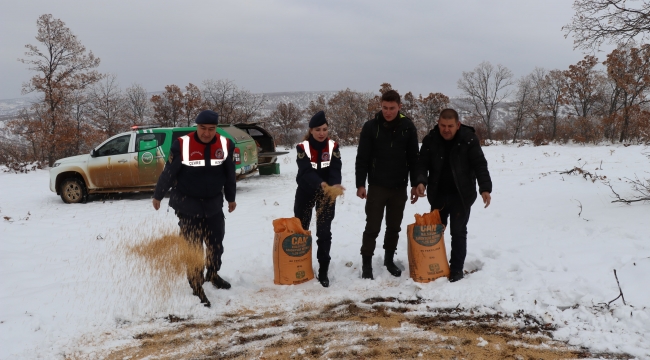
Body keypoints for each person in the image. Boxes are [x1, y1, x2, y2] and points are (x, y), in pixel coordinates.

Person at [152, 110, 236, 307]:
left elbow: (229, 173)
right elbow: (169, 172)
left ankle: (213, 273)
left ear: (216, 128)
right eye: (203, 128)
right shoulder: (182, 144)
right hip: (187, 204)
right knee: (193, 247)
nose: (207, 133)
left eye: (211, 129)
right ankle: (197, 285)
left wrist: (231, 198)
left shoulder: (225, 144)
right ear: (196, 126)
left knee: (216, 244)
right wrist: (158, 195)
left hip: (213, 203)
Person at [412, 108, 492, 282]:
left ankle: (456, 270)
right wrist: (420, 182)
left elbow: (480, 164)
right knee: (434, 233)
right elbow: (421, 163)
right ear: (438, 124)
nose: (446, 129)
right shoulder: (431, 139)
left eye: (450, 126)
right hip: (438, 194)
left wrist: (485, 188)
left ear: (458, 125)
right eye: (442, 125)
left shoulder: (468, 139)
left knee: (458, 232)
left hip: (461, 195)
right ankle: (432, 266)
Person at [355, 90, 420, 280]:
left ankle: (389, 260)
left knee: (394, 226)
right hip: (377, 185)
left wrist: (415, 184)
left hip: (399, 186)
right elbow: (362, 158)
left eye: (392, 108)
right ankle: (367, 263)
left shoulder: (408, 127)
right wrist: (360, 184)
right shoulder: (370, 127)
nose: (388, 112)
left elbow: (414, 159)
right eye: (385, 108)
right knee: (372, 226)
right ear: (380, 106)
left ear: (399, 107)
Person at [294, 111, 344, 287]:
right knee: (302, 230)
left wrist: (335, 184)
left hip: (327, 194)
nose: (322, 133)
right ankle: (299, 265)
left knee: (324, 232)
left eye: (324, 129)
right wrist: (321, 183)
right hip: (306, 191)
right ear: (311, 130)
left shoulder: (333, 146)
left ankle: (323, 269)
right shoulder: (302, 148)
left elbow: (336, 168)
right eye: (318, 129)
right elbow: (306, 171)